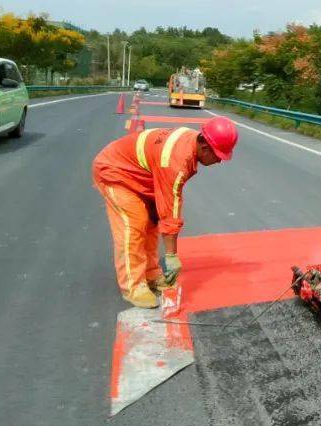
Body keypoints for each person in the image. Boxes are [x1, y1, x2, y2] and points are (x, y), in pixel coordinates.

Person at [92, 117, 238, 308]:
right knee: (133, 226)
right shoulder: (177, 160)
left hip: (144, 177)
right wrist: (171, 255)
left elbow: (165, 200)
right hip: (116, 171)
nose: (219, 161)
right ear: (205, 146)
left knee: (151, 225)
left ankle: (151, 274)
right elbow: (171, 209)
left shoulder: (192, 141)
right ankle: (132, 286)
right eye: (218, 155)